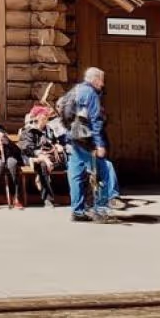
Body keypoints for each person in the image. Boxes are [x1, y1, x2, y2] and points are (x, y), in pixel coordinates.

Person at [59, 66, 113, 223]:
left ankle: (77, 211)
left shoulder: (75, 90)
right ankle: (101, 211)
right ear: (95, 80)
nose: (103, 84)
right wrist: (99, 144)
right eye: (102, 80)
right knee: (104, 170)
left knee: (75, 174)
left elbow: (64, 113)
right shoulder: (91, 94)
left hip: (73, 137)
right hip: (86, 138)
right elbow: (95, 120)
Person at [18, 104, 64, 208]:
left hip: (50, 156)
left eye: (47, 116)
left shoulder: (49, 130)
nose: (47, 118)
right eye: (45, 116)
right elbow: (27, 148)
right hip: (31, 158)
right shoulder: (29, 130)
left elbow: (53, 141)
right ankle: (48, 199)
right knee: (43, 165)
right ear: (38, 117)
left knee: (68, 161)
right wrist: (42, 156)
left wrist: (57, 145)